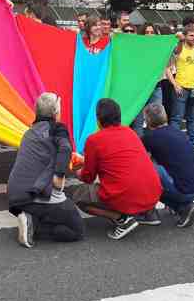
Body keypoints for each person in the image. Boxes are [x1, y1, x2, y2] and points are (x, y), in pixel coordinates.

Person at [67, 98, 163, 240]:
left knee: (79, 196)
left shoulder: (94, 140)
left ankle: (122, 219)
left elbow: (88, 177)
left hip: (126, 194)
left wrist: (75, 170)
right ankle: (147, 213)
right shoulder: (130, 133)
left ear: (98, 120)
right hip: (153, 193)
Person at [8, 92, 85, 247]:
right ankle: (34, 226)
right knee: (76, 230)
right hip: (36, 193)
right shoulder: (57, 128)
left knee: (53, 210)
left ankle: (31, 216)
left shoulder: (29, 132)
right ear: (55, 113)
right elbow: (65, 149)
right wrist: (58, 176)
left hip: (15, 196)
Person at [140, 103, 194, 227]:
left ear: (147, 120)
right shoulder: (178, 132)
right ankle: (184, 207)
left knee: (146, 170)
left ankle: (148, 212)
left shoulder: (149, 137)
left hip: (184, 189)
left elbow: (141, 162)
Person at [168, 22, 194, 152]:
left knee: (192, 118)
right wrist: (175, 84)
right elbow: (168, 67)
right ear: (185, 36)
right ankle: (172, 143)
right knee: (177, 118)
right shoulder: (179, 48)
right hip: (182, 87)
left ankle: (193, 141)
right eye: (191, 36)